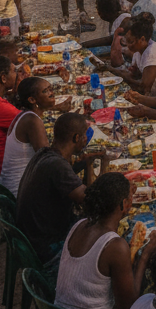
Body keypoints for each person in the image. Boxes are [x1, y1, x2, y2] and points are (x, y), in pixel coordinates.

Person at [56, 172, 156, 309]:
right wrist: (144, 256)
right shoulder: (114, 246)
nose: (130, 202)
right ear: (122, 205)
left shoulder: (79, 225)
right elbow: (128, 306)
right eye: (129, 199)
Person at [17, 111, 90, 268]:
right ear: (76, 138)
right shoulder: (57, 166)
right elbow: (91, 200)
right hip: (49, 248)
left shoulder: (44, 153)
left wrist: (89, 163)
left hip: (34, 236)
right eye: (85, 135)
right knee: (103, 229)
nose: (86, 139)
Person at [98, 13, 156, 97]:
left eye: (131, 42)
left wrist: (114, 71)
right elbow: (135, 76)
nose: (128, 45)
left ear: (142, 39)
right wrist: (112, 69)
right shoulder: (138, 51)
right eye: (126, 41)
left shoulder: (151, 54)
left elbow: (143, 89)